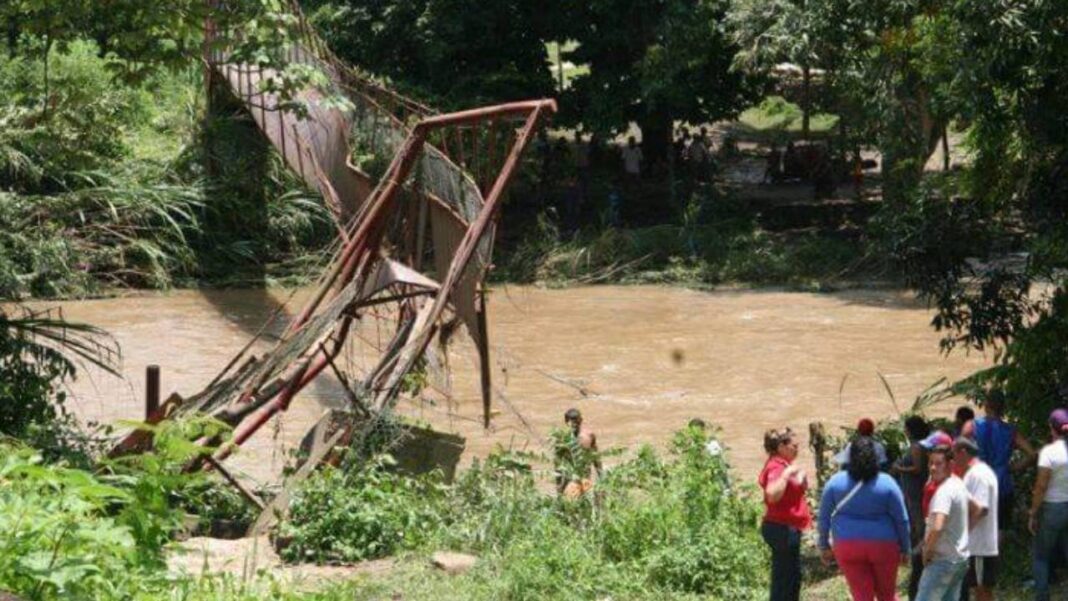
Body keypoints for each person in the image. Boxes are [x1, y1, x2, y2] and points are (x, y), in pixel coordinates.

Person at [818, 437, 911, 600]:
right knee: (887, 595)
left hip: (847, 545)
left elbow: (823, 518)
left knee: (862, 596)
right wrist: (905, 548)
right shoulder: (888, 483)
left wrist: (824, 545)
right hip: (884, 545)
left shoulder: (834, 483)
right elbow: (901, 519)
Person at [758, 427, 812, 601]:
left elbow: (792, 491)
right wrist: (787, 474)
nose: (797, 449)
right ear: (781, 447)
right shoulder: (777, 467)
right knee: (786, 581)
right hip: (782, 529)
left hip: (785, 528)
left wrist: (800, 478)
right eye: (794, 446)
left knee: (789, 578)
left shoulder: (782, 465)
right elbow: (772, 495)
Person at [970, 391, 1036, 528]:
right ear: (1003, 408)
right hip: (1002, 484)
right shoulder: (1010, 431)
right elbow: (1032, 454)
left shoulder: (974, 427)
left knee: (976, 526)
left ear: (986, 405)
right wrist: (1014, 467)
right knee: (1000, 527)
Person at [916, 445, 970, 601]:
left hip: (942, 561)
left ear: (950, 465)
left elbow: (938, 526)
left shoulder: (944, 492)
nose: (933, 468)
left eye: (938, 463)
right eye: (930, 463)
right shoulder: (958, 484)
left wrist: (927, 551)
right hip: (959, 559)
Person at [952, 437, 999, 601]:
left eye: (954, 455)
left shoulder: (978, 474)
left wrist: (964, 534)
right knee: (978, 589)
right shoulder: (975, 473)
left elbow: (982, 509)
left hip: (980, 546)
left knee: (982, 590)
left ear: (963, 452)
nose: (953, 460)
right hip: (977, 545)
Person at [1029, 408, 1068, 601]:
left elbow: (1042, 485)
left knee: (1041, 555)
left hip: (1053, 508)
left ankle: (1042, 596)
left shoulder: (1049, 453)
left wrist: (1033, 513)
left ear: (1052, 428)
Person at [890, 416, 931, 600]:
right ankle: (918, 552)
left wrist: (899, 468)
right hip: (912, 492)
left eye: (906, 428)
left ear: (911, 430)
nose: (904, 431)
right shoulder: (920, 444)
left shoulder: (916, 446)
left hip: (915, 492)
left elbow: (918, 468)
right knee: (915, 523)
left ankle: (921, 555)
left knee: (918, 523)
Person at [556, 408, 601, 498]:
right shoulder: (561, 440)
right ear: (566, 422)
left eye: (577, 422)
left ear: (581, 420)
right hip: (570, 482)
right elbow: (558, 465)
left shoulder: (589, 436)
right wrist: (559, 488)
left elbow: (596, 458)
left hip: (586, 480)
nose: (575, 425)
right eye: (572, 423)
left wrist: (601, 478)